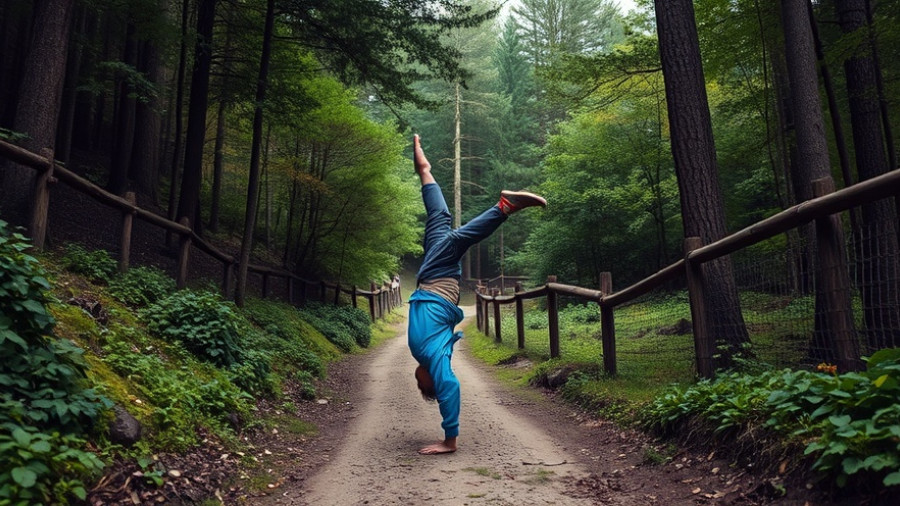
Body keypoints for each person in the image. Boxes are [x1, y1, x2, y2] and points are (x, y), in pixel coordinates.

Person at [407, 134, 546, 455]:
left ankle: (424, 170)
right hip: (437, 280)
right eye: (421, 386)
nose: (417, 381)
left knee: (440, 219)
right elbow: (451, 386)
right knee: (456, 240)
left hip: (432, 278)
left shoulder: (428, 354)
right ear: (431, 382)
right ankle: (504, 207)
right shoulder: (435, 359)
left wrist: (423, 169)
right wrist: (449, 439)